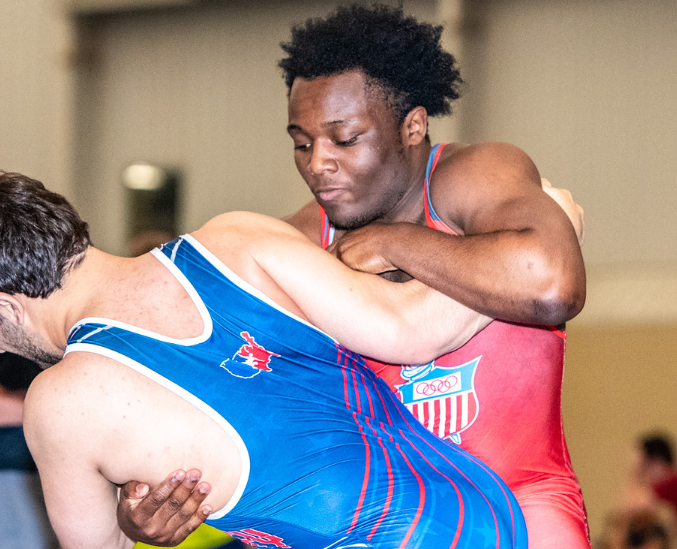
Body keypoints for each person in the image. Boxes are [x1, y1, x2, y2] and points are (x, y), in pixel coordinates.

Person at [118, 4, 590, 549]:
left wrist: (397, 241)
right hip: (370, 528)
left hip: (518, 505)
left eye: (344, 140)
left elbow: (552, 283)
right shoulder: (296, 240)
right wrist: (146, 511)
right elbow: (219, 387)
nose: (318, 163)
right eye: (302, 142)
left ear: (413, 126)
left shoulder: (471, 179)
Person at [0, 171, 529, 549]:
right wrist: (531, 247)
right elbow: (415, 331)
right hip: (488, 514)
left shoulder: (59, 402)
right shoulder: (234, 239)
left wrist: (133, 530)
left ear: (7, 306)